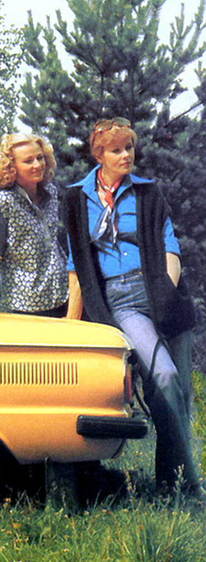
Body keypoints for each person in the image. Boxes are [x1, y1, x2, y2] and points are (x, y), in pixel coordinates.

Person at [63, 116, 200, 496]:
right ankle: (184, 485)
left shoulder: (148, 193)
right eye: (116, 150)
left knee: (177, 393)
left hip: (163, 294)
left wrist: (166, 293)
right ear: (99, 155)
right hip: (123, 301)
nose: (126, 155)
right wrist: (70, 324)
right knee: (165, 376)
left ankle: (175, 484)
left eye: (129, 148)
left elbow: (170, 246)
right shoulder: (77, 198)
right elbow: (76, 263)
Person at [0, 133, 68, 316]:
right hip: (26, 306)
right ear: (11, 167)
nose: (37, 165)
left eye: (40, 158)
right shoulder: (3, 203)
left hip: (63, 297)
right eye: (28, 161)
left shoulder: (51, 193)